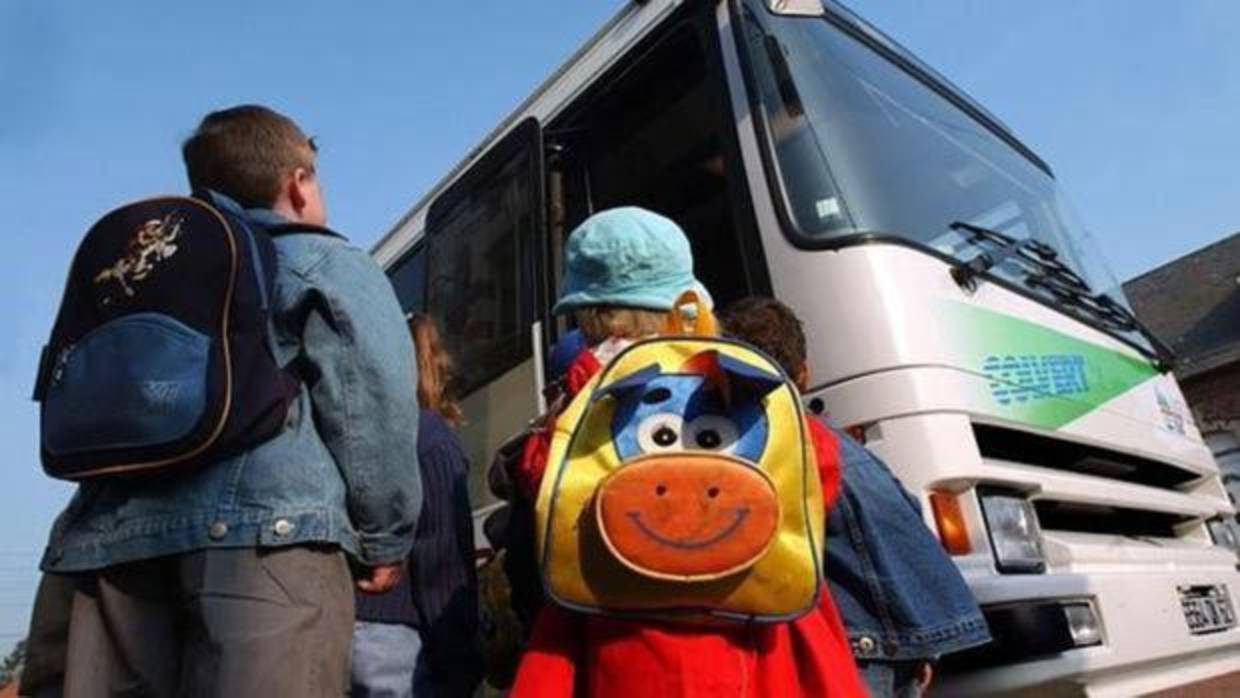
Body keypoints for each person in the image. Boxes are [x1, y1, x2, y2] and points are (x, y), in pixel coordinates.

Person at [39, 105, 422, 697]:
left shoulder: (145, 270)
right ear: (298, 183)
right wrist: (385, 536)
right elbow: (370, 397)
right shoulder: (319, 259)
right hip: (267, 540)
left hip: (102, 549)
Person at [506, 207, 867, 697]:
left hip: (625, 646)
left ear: (591, 314)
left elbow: (544, 484)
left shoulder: (589, 394)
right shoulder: (739, 375)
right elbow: (819, 474)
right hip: (761, 639)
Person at [719, 297, 992, 698]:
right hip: (889, 642)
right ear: (804, 374)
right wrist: (919, 642)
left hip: (849, 648)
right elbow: (906, 527)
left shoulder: (761, 447)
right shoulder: (847, 449)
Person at [352, 315, 483, 698]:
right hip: (397, 640)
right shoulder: (431, 439)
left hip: (342, 628)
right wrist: (461, 665)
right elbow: (441, 567)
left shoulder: (351, 436)